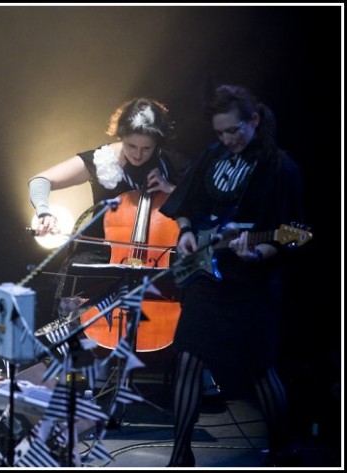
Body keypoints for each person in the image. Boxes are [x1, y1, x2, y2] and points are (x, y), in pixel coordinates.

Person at [160, 84, 305, 467]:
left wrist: (259, 251)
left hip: (252, 284)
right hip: (206, 276)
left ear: (253, 120)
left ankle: (282, 449)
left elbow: (293, 233)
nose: (227, 139)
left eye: (234, 131)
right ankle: (180, 455)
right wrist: (187, 231)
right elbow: (184, 204)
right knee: (189, 358)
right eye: (220, 132)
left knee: (260, 367)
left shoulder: (280, 167)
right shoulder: (212, 155)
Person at [28, 97, 188, 324]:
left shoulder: (171, 163)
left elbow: (201, 202)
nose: (138, 154)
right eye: (131, 146)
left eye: (146, 148)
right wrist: (44, 211)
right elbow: (40, 180)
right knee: (71, 330)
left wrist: (169, 188)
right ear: (121, 136)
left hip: (153, 261)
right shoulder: (103, 159)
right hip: (96, 260)